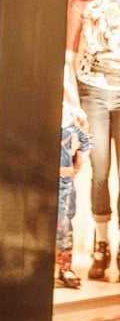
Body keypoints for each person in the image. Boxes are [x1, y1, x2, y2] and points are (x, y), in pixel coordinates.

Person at [65, 0, 120, 280]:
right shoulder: (84, 1)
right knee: (99, 170)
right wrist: (71, 101)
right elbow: (67, 55)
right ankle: (101, 245)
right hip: (95, 91)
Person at [55, 102, 92, 288]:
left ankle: (64, 266)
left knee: (64, 216)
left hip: (65, 175)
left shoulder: (71, 115)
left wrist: (82, 154)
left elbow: (85, 138)